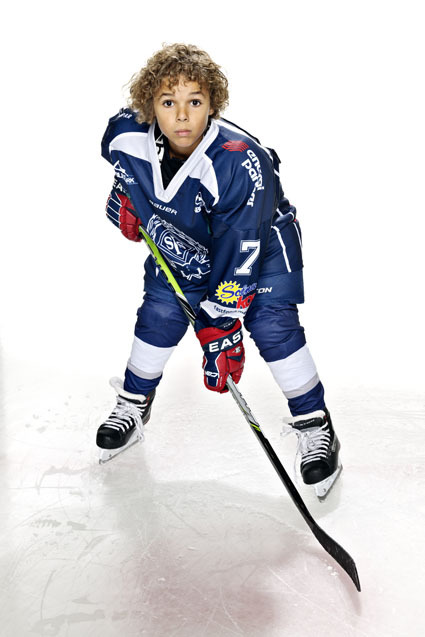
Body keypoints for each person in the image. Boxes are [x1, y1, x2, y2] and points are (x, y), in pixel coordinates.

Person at [98, 43, 341, 498]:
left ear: (213, 103)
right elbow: (123, 168)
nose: (181, 115)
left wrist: (222, 323)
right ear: (149, 104)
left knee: (271, 324)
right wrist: (126, 196)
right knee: (160, 313)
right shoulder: (123, 134)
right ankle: (133, 402)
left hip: (261, 245)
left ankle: (315, 424)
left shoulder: (240, 161)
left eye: (195, 101)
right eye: (167, 102)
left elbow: (242, 248)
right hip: (187, 236)